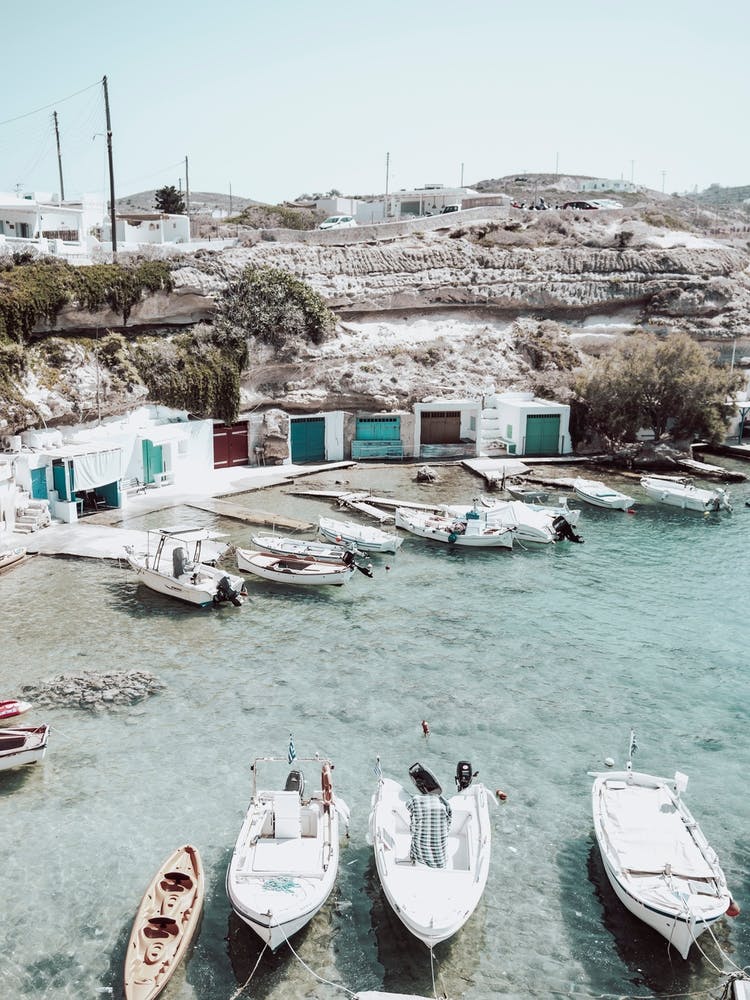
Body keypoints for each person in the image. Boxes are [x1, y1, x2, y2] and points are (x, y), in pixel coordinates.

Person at [406, 787, 452, 868]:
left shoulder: (415, 800)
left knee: (414, 834)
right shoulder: (446, 804)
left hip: (420, 861)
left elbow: (407, 804)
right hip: (440, 864)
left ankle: (414, 858)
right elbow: (448, 828)